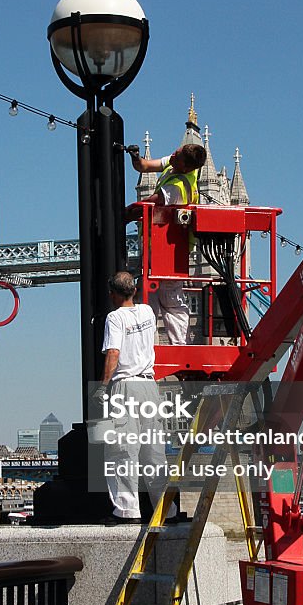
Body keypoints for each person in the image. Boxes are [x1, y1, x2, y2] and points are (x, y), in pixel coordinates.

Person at [99, 271, 177, 525]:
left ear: (113, 293)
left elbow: (113, 352)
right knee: (154, 452)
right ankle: (167, 511)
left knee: (123, 451)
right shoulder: (146, 312)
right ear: (133, 291)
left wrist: (101, 388)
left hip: (126, 385)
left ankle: (127, 510)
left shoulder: (114, 317)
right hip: (149, 387)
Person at [130, 144, 207, 344]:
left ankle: (179, 347)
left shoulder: (180, 186)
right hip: (153, 247)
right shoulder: (175, 162)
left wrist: (122, 215)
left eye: (178, 157)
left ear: (187, 168)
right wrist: (135, 157)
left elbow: (150, 203)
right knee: (149, 298)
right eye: (177, 151)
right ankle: (146, 343)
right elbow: (145, 166)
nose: (173, 155)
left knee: (171, 301)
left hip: (172, 252)